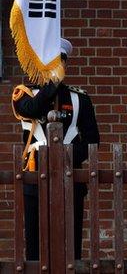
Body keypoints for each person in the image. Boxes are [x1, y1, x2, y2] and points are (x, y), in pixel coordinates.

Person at [12, 38, 99, 260]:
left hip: (70, 171)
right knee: (36, 243)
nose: (57, 66)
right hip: (35, 169)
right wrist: (50, 85)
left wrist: (67, 156)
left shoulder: (80, 98)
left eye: (60, 62)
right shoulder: (25, 93)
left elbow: (92, 141)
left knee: (71, 242)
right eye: (51, 62)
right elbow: (31, 110)